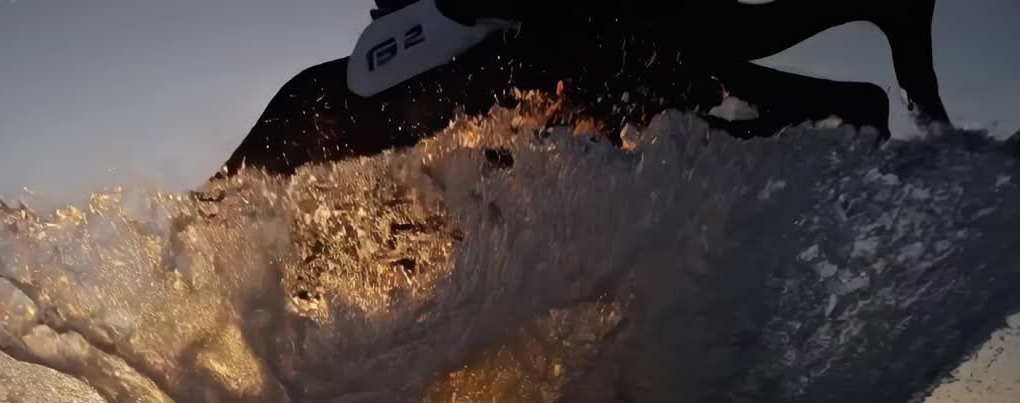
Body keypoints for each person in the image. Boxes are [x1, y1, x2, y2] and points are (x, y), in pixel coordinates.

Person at [221, 0, 947, 176]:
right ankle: (852, 94)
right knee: (671, 77)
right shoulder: (319, 103)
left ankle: (861, 63)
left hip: (527, 55)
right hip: (507, 67)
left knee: (657, 67)